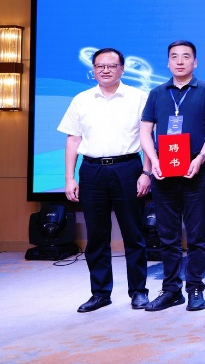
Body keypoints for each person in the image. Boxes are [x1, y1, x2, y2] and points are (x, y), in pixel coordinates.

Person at [58, 47, 151, 313]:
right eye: (100, 66)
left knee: (134, 234)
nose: (105, 70)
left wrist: (146, 173)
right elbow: (73, 140)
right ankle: (100, 293)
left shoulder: (138, 97)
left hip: (128, 168)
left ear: (122, 68)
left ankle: (138, 291)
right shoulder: (81, 100)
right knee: (97, 236)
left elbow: (148, 138)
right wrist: (69, 178)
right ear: (93, 70)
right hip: (92, 171)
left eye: (111, 66)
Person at [140, 40, 205, 312]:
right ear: (167, 63)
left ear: (195, 62)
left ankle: (195, 287)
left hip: (194, 169)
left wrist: (200, 158)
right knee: (167, 235)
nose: (180, 61)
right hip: (163, 171)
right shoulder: (157, 93)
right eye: (174, 57)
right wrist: (154, 162)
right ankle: (171, 289)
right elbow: (145, 131)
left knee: (196, 234)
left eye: (186, 57)